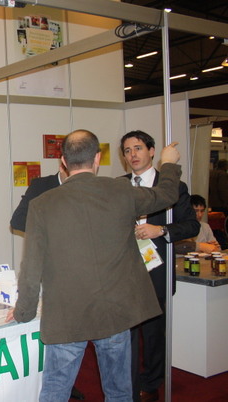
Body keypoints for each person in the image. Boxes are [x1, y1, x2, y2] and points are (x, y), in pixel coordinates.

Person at [7, 129, 182, 401]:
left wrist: (23, 312)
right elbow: (167, 194)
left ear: (64, 161)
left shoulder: (42, 205)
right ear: (98, 158)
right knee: (119, 392)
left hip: (67, 316)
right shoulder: (121, 191)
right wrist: (168, 162)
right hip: (115, 313)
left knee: (55, 392)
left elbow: (31, 268)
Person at [120, 130, 199, 402]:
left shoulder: (173, 186)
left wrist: (161, 230)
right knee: (126, 335)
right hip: (124, 271)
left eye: (138, 148)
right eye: (127, 150)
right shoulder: (118, 186)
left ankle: (151, 383)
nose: (133, 155)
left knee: (154, 334)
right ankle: (127, 384)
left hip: (157, 270)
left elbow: (192, 225)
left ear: (152, 151)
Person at [10, 161, 86, 401]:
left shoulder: (84, 186)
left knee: (73, 330)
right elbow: (18, 220)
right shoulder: (41, 186)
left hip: (80, 267)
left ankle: (69, 380)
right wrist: (50, 229)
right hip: (49, 264)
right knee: (54, 325)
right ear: (63, 164)